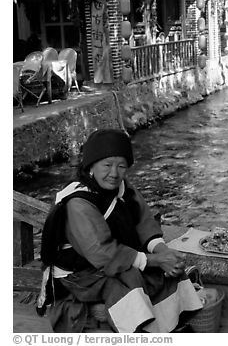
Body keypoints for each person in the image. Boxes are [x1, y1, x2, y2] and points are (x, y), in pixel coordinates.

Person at [37, 128, 203, 333]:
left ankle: (174, 325)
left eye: (121, 166)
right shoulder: (78, 203)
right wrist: (153, 260)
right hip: (80, 272)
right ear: (91, 166)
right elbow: (101, 252)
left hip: (118, 257)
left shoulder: (123, 187)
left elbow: (143, 221)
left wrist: (161, 251)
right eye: (107, 165)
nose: (114, 173)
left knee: (167, 271)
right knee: (129, 281)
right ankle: (140, 332)